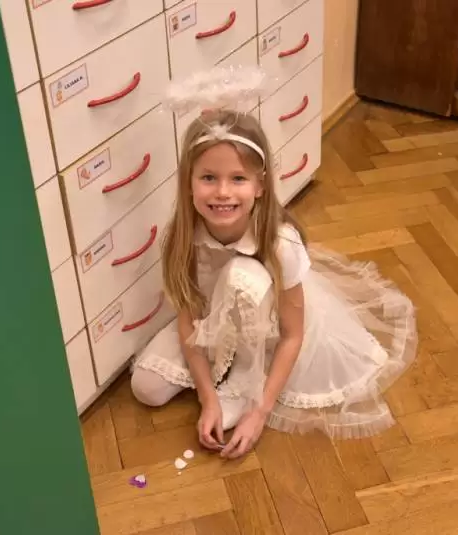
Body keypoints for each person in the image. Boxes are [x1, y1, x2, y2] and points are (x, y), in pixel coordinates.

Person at [130, 108, 417, 459]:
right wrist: (207, 398)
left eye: (238, 178)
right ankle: (220, 377)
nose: (222, 192)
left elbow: (292, 334)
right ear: (188, 182)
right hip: (212, 320)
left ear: (260, 185)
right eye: (208, 178)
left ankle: (244, 376)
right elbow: (188, 319)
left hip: (268, 332)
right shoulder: (183, 237)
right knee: (147, 388)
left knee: (240, 274)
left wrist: (259, 412)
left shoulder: (282, 243)